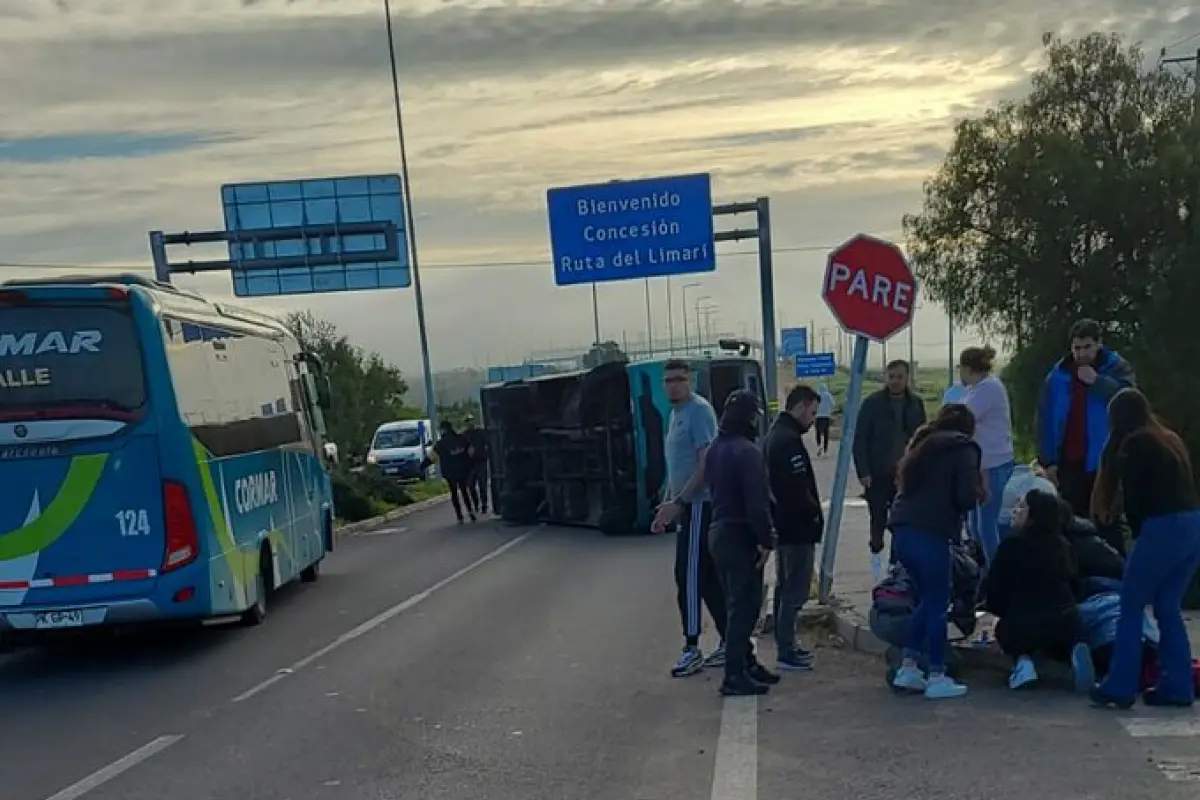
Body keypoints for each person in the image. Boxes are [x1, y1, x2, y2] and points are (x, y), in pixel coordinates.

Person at [1090, 388, 1200, 709]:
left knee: (1131, 603)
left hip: (1160, 526)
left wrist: (1135, 536)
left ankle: (1120, 684)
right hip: (1192, 524)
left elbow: (1137, 501)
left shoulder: (1132, 446)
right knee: (1167, 606)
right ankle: (1177, 685)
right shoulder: (1168, 439)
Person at [887, 403, 981, 699]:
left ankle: (909, 667)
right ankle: (938, 673)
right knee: (938, 603)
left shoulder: (924, 445)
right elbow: (965, 495)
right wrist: (977, 492)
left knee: (926, 601)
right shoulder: (964, 449)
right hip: (931, 532)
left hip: (903, 530)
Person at [650, 360, 727, 678]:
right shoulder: (676, 415)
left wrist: (680, 502)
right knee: (706, 579)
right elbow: (676, 466)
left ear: (690, 381)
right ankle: (732, 639)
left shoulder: (698, 412)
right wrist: (667, 504)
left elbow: (706, 464)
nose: (673, 385)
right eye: (668, 380)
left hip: (699, 506)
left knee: (689, 576)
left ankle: (692, 646)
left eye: (679, 380)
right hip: (684, 506)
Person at [705, 389, 781, 696]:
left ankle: (747, 664)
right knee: (745, 608)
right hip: (740, 535)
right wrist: (766, 540)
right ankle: (734, 674)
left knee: (736, 604)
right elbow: (757, 503)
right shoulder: (747, 452)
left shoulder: (716, 448)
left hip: (719, 533)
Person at [982, 489, 1093, 692]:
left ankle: (1024, 663)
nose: (1015, 511)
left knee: (1010, 630)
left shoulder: (1010, 546)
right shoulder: (1064, 546)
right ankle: (1072, 653)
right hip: (1065, 619)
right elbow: (1075, 585)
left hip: (1023, 623)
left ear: (1034, 515)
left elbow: (994, 594)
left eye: (1022, 507)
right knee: (1062, 629)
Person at [1036, 318, 1136, 518]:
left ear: (1099, 344)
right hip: (1069, 463)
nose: (1081, 354)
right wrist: (1048, 461)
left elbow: (1131, 402)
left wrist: (1097, 382)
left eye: (1087, 347)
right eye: (1076, 348)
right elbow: (1044, 419)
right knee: (1072, 521)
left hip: (1105, 462)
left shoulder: (1116, 368)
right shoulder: (1058, 376)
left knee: (1107, 521)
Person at [763, 384, 824, 671]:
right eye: (812, 413)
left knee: (785, 586)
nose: (813, 420)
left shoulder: (776, 435)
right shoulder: (787, 440)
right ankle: (786, 650)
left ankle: (786, 645)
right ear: (800, 407)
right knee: (794, 590)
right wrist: (812, 515)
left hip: (783, 525)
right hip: (796, 528)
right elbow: (798, 489)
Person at [853, 359, 927, 579]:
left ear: (907, 379)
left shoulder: (915, 404)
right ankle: (876, 552)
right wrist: (863, 471)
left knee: (902, 518)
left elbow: (923, 438)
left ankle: (896, 562)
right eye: (891, 376)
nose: (895, 381)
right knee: (878, 517)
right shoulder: (872, 404)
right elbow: (860, 440)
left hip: (905, 473)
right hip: (877, 473)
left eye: (900, 377)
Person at [960, 346, 1015, 564]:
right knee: (974, 525)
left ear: (967, 368)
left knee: (986, 526)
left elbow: (964, 416)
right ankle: (979, 570)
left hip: (993, 464)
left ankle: (994, 572)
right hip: (982, 464)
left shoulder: (988, 389)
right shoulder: (978, 388)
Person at [429, 421, 476, 524]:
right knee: (464, 491)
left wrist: (422, 466)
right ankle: (471, 512)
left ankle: (459, 516)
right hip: (463, 470)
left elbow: (432, 457)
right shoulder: (462, 439)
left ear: (443, 430)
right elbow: (471, 451)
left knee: (454, 493)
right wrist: (470, 463)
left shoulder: (441, 443)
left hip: (450, 472)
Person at [462, 415, 490, 515]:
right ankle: (476, 503)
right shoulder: (464, 435)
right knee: (470, 486)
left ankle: (484, 505)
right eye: (467, 421)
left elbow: (487, 445)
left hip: (481, 462)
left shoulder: (481, 433)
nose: (469, 423)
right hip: (470, 464)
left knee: (482, 485)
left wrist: (480, 452)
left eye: (471, 421)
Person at [814, 383, 834, 456]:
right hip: (826, 416)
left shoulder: (817, 395)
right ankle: (826, 451)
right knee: (826, 434)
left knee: (818, 432)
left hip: (818, 416)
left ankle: (819, 446)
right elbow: (833, 404)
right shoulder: (828, 395)